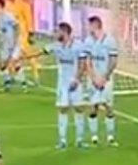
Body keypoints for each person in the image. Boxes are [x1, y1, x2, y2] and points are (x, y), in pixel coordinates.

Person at [45, 22, 88, 149]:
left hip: (75, 82)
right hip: (62, 84)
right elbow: (43, 50)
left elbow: (82, 64)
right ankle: (62, 140)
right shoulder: (56, 46)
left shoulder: (78, 46)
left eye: (58, 31)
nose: (56, 34)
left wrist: (77, 80)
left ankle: (80, 140)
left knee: (79, 109)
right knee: (63, 109)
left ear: (65, 32)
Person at [84, 16, 118, 146]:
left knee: (108, 107)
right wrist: (93, 77)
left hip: (106, 79)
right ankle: (94, 137)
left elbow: (113, 61)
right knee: (93, 107)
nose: (88, 28)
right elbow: (87, 61)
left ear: (95, 26)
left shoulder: (110, 41)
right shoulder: (88, 41)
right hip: (93, 79)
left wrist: (104, 77)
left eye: (90, 26)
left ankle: (110, 137)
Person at [0, 0, 26, 91]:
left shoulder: (8, 15)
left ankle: (23, 84)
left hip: (12, 44)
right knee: (3, 64)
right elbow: (1, 32)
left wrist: (16, 40)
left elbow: (17, 27)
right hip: (4, 45)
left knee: (15, 63)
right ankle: (7, 85)